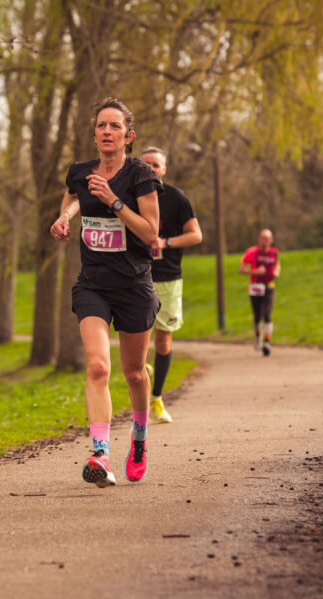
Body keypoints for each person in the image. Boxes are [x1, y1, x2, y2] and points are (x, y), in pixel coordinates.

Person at [49, 97, 160, 487]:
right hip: (93, 284)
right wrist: (64, 218)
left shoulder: (140, 175)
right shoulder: (80, 172)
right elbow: (75, 195)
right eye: (101, 126)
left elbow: (150, 233)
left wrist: (114, 202)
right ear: (94, 134)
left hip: (133, 285)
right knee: (98, 366)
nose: (107, 131)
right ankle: (100, 454)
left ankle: (140, 439)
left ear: (128, 136)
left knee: (133, 373)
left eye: (115, 126)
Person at [141, 147, 203, 424]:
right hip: (135, 274)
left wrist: (166, 243)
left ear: (164, 169)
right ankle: (141, 378)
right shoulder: (129, 196)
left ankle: (156, 399)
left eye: (156, 165)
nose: (151, 169)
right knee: (137, 338)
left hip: (167, 276)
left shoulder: (176, 198)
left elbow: (196, 236)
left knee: (163, 338)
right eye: (146, 165)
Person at [239, 229, 281, 357]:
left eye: (267, 239)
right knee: (257, 315)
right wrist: (255, 272)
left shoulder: (274, 253)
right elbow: (241, 269)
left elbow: (278, 264)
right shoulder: (252, 252)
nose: (264, 241)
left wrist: (277, 272)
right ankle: (258, 337)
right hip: (255, 286)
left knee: (267, 313)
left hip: (269, 286)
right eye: (262, 238)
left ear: (271, 240)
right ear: (259, 239)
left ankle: (267, 342)